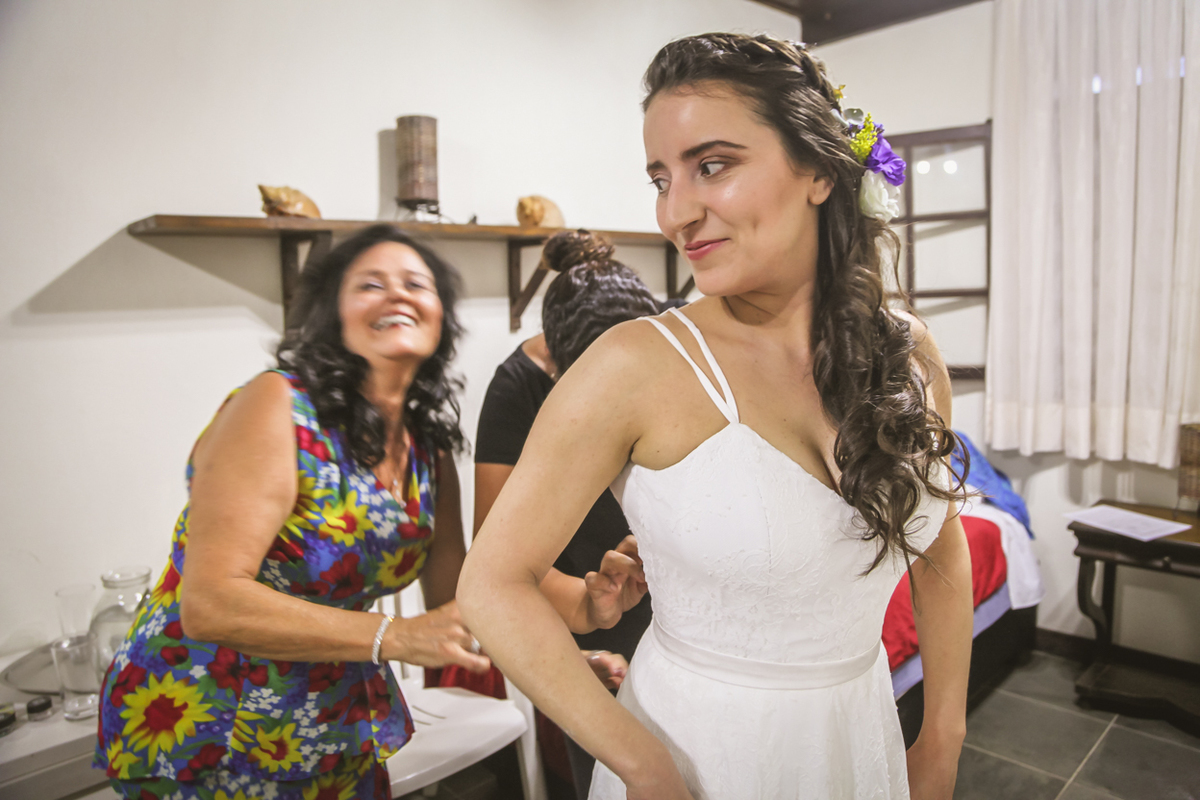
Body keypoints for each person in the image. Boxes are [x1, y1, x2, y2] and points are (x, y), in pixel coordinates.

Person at [458, 33, 973, 800]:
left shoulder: (908, 352)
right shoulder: (636, 366)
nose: (676, 212)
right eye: (660, 178)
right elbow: (492, 585)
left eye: (712, 165)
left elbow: (940, 546)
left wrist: (942, 733)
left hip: (856, 738)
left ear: (819, 170)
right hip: (702, 751)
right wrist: (641, 761)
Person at [94, 225, 494, 799]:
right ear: (334, 317)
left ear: (441, 315)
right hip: (210, 721)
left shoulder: (429, 450)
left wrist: (569, 646)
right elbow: (211, 602)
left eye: (415, 283)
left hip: (329, 725)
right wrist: (395, 635)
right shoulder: (277, 405)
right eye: (370, 285)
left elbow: (461, 605)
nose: (397, 295)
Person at [473, 229, 658, 797]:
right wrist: (583, 618)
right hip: (596, 618)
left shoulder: (673, 342)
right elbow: (495, 563)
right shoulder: (516, 391)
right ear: (557, 368)